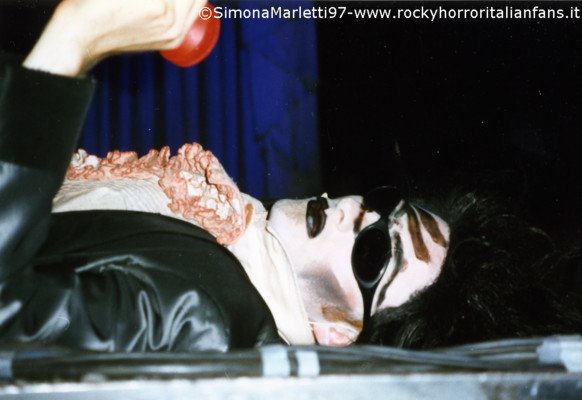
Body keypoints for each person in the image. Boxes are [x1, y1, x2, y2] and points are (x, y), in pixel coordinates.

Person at [1, 0, 581, 353]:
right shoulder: (225, 243)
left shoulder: (206, 319)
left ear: (339, 331)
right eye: (384, 205)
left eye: (375, 251)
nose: (357, 210)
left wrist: (77, 37)